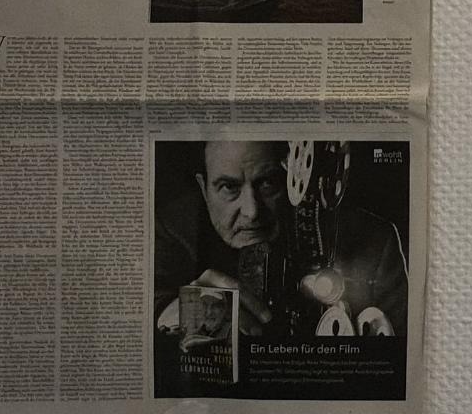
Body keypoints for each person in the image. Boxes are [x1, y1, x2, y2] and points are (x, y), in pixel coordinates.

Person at [153, 140, 407, 339]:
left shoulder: (374, 241)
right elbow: (151, 302)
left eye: (268, 183)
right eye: (229, 187)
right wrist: (177, 312)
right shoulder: (173, 229)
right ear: (203, 188)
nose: (252, 211)